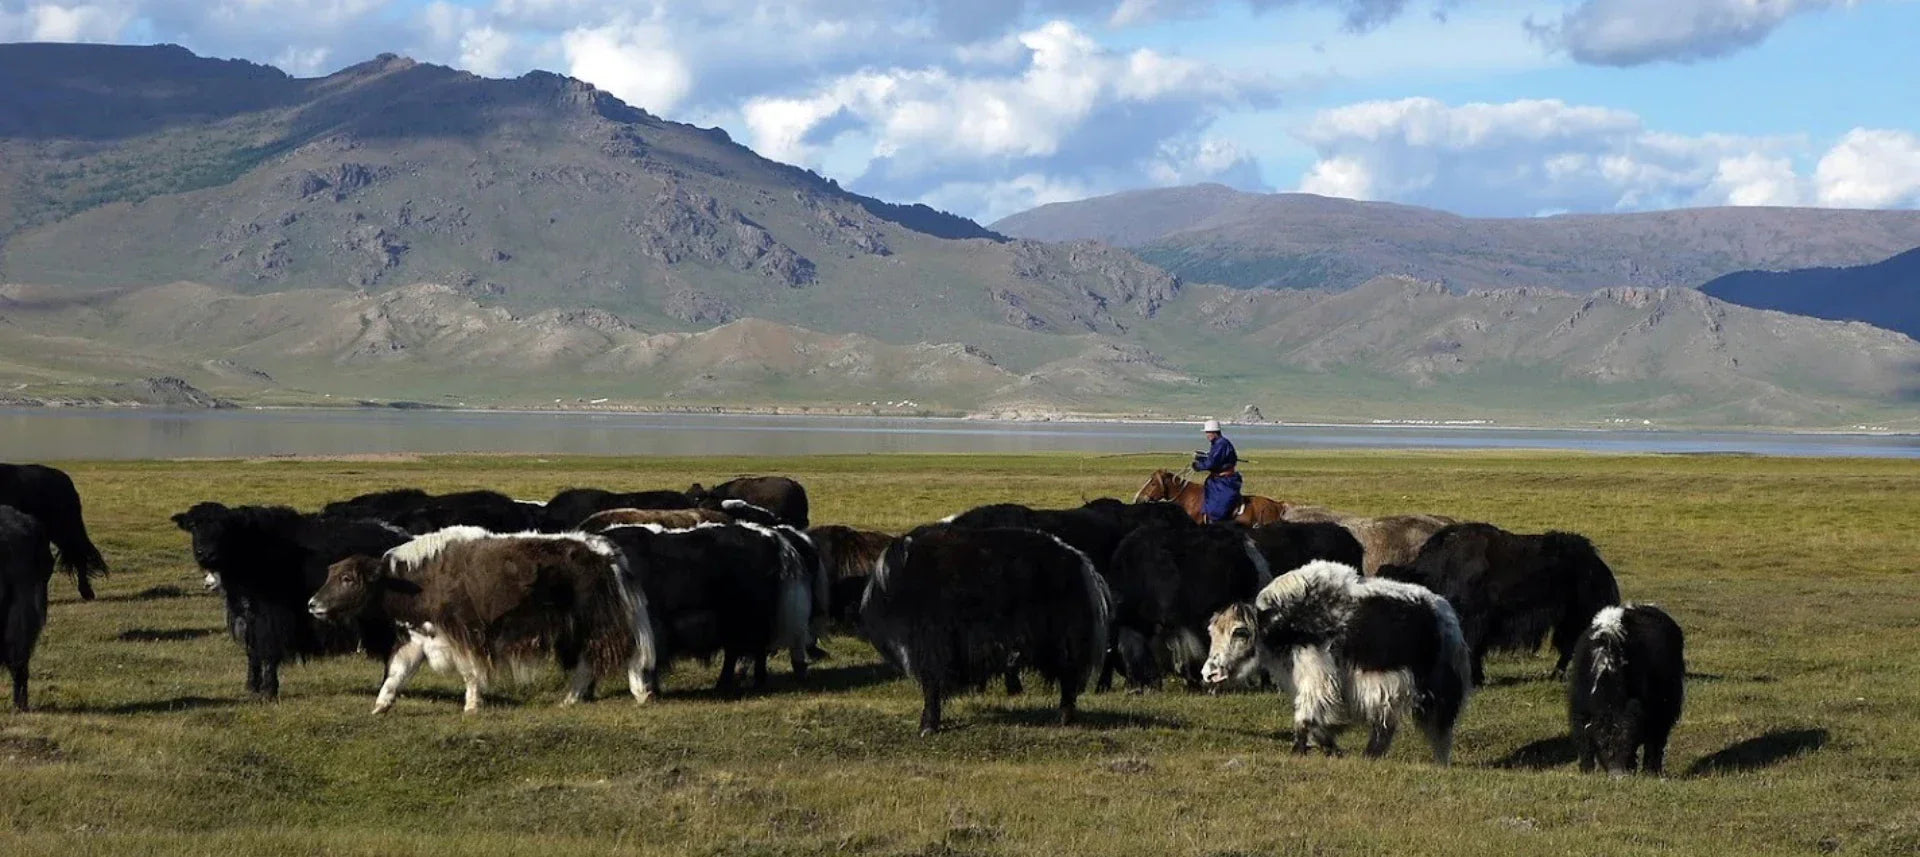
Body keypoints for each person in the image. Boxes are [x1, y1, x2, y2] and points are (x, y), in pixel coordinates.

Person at [1191, 418, 1241, 524]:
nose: (1207, 435)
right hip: (1216, 480)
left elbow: (1212, 463)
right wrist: (1201, 457)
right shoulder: (1217, 443)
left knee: (1218, 507)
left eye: (1208, 432)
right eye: (1206, 433)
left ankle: (1216, 521)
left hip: (1225, 482)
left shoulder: (1221, 444)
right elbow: (1213, 458)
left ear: (1215, 432)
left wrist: (1198, 466)